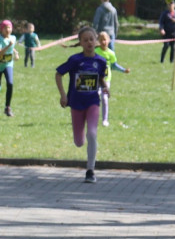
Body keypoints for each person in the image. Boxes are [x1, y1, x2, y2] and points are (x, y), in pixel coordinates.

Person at [56, 26, 108, 184]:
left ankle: (90, 170)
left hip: (93, 102)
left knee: (92, 134)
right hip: (76, 104)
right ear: (80, 43)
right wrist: (63, 95)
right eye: (85, 40)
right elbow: (58, 74)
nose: (89, 42)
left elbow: (99, 77)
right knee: (79, 142)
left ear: (96, 41)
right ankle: (82, 139)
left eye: (91, 39)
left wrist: (104, 86)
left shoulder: (101, 61)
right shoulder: (75, 60)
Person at [95, 31, 130, 128]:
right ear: (98, 41)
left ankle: (105, 120)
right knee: (95, 97)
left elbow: (114, 66)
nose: (103, 42)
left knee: (105, 99)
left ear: (109, 41)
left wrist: (123, 70)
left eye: (105, 40)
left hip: (106, 80)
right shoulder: (95, 52)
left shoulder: (111, 53)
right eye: (101, 40)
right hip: (95, 79)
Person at [0, 19, 17, 118]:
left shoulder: (13, 38)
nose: (8, 30)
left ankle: (7, 108)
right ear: (2, 29)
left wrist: (16, 53)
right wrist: (8, 46)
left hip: (8, 64)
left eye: (9, 27)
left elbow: (12, 46)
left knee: (10, 83)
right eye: (5, 28)